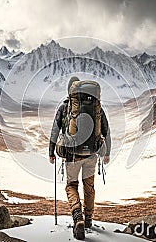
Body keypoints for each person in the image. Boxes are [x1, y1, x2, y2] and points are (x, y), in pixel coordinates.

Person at [49, 76, 111, 240]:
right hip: (91, 154)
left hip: (72, 156)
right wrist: (107, 152)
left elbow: (55, 131)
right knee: (88, 186)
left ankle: (78, 217)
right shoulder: (96, 106)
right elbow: (106, 130)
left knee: (71, 186)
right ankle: (89, 219)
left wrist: (51, 152)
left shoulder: (65, 107)